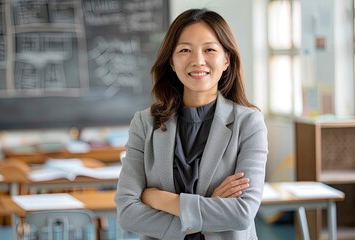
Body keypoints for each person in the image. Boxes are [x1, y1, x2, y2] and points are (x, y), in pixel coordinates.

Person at [114, 8, 268, 240]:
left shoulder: (248, 123)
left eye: (209, 50)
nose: (197, 60)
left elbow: (241, 214)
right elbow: (127, 213)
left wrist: (162, 199)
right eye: (185, 50)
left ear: (226, 59)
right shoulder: (144, 123)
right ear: (172, 62)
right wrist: (210, 209)